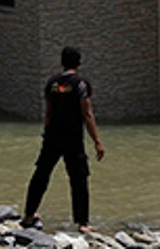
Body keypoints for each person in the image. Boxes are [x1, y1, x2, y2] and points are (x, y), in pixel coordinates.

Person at [23, 46, 105, 232]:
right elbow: (87, 114)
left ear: (62, 62)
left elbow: (49, 113)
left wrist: (46, 133)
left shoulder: (52, 83)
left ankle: (29, 215)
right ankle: (82, 223)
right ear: (79, 63)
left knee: (41, 174)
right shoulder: (81, 84)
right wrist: (97, 142)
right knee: (78, 179)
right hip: (73, 138)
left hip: (52, 136)